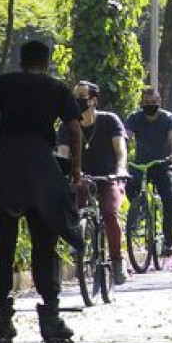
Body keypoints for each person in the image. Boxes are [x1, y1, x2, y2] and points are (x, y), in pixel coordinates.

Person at [0, 39, 82, 343]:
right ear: (47, 63)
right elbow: (75, 130)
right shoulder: (57, 88)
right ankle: (50, 317)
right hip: (40, 167)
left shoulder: (3, 83)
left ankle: (2, 321)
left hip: (5, 165)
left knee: (4, 241)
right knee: (45, 241)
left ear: (20, 61)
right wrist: (76, 168)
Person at [66, 81, 129, 285]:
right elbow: (63, 153)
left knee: (109, 213)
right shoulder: (68, 125)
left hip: (109, 177)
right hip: (83, 177)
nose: (77, 101)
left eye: (82, 97)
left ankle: (117, 261)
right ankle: (78, 236)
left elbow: (121, 150)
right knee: (77, 195)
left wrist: (120, 170)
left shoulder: (110, 120)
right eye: (75, 97)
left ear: (93, 100)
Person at [124, 85, 172, 257]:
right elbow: (125, 137)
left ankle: (168, 242)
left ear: (159, 101)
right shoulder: (135, 118)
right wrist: (121, 151)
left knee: (170, 198)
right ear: (142, 103)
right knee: (130, 185)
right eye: (147, 102)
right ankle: (140, 212)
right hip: (141, 165)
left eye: (153, 102)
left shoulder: (169, 118)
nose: (150, 105)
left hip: (164, 165)